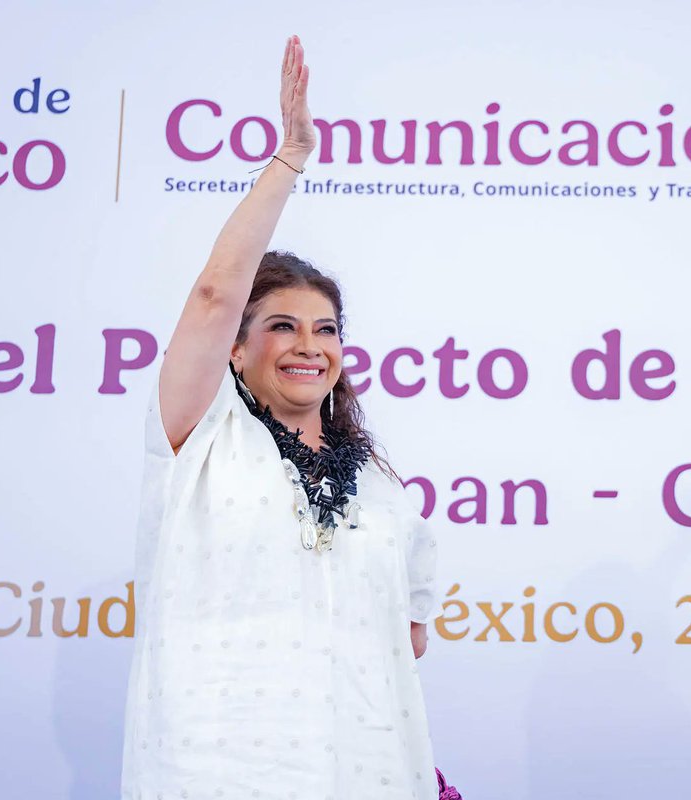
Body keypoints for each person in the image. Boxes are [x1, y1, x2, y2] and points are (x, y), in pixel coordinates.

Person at [121, 37, 439, 799]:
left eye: (326, 329)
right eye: (283, 326)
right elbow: (211, 297)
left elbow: (407, 642)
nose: (309, 346)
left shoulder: (384, 491)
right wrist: (291, 157)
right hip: (213, 775)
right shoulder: (202, 438)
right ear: (235, 350)